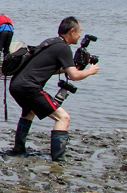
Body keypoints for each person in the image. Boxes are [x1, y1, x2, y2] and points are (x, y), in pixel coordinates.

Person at [8, 16, 100, 161]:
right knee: (63, 118)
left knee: (29, 113)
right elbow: (75, 76)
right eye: (79, 32)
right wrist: (90, 70)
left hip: (16, 85)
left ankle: (18, 149)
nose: (80, 35)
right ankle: (58, 158)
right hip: (29, 87)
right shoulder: (63, 48)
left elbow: (46, 68)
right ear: (72, 31)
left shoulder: (51, 43)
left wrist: (66, 70)